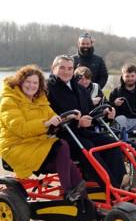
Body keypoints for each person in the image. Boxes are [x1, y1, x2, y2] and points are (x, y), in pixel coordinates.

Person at [0, 65, 85, 202]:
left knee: (66, 161)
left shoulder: (40, 100)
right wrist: (45, 123)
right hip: (15, 147)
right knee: (61, 145)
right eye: (28, 82)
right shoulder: (9, 101)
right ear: (20, 82)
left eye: (35, 83)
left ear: (39, 85)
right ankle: (69, 192)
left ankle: (83, 200)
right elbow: (20, 128)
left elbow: (54, 117)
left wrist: (68, 117)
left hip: (36, 144)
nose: (31, 86)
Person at [47, 55, 127, 189]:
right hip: (62, 136)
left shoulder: (80, 88)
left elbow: (90, 112)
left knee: (111, 143)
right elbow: (50, 117)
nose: (66, 72)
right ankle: (111, 188)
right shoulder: (48, 89)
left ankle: (120, 183)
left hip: (82, 132)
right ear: (53, 68)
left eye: (69, 68)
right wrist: (77, 123)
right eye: (62, 68)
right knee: (89, 147)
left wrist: (107, 114)